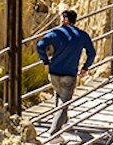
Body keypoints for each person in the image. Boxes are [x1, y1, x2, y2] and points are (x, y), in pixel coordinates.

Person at [36, 9, 97, 138]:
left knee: (59, 95)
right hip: (69, 74)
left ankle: (63, 121)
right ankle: (54, 134)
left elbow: (40, 45)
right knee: (64, 102)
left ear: (65, 19)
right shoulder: (82, 35)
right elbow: (92, 53)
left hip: (53, 72)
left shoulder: (56, 33)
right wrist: (85, 67)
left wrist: (45, 61)